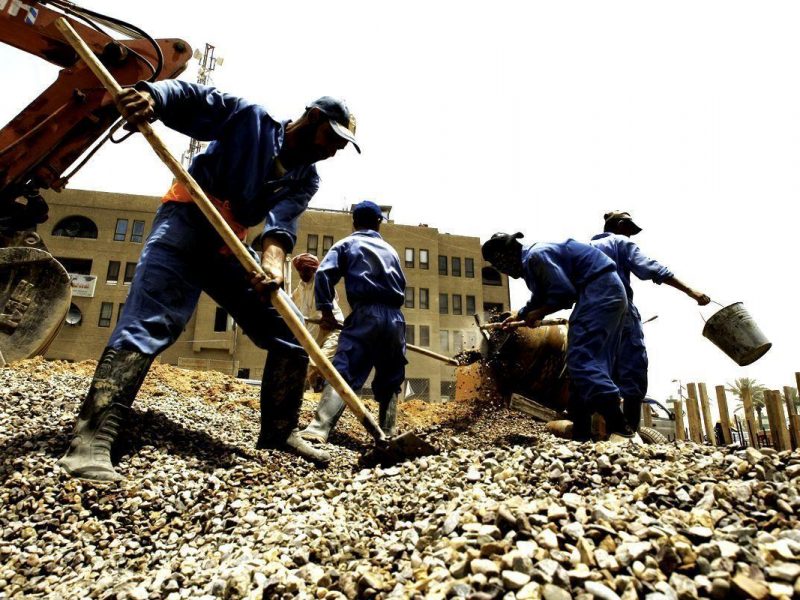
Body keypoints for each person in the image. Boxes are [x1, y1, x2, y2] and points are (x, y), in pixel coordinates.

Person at [58, 81, 360, 481]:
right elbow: (194, 98)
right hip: (185, 222)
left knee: (289, 335)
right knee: (150, 322)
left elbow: (280, 225)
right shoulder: (252, 119)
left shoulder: (306, 178)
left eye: (341, 146)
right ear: (315, 117)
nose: (334, 150)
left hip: (228, 244)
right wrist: (153, 96)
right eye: (333, 138)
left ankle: (279, 431)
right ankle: (90, 442)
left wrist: (271, 265)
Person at [481, 232, 636, 442]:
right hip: (608, 293)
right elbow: (542, 294)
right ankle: (582, 434)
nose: (501, 269)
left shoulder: (536, 256)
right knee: (583, 366)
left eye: (499, 264)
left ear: (506, 255)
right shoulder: (533, 260)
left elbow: (564, 293)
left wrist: (539, 313)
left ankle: (621, 428)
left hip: (599, 292)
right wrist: (522, 314)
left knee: (581, 360)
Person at [590, 211, 710, 430]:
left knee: (597, 369)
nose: (631, 236)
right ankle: (629, 432)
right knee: (633, 367)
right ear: (619, 226)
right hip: (619, 311)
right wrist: (690, 290)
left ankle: (594, 430)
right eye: (629, 230)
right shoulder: (620, 242)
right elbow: (650, 268)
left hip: (588, 316)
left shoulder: (585, 248)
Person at [299, 201, 407, 444]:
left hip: (366, 314)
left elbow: (324, 274)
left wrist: (326, 310)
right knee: (391, 376)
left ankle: (318, 428)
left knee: (344, 370)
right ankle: (388, 433)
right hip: (396, 319)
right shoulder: (391, 251)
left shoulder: (347, 244)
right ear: (379, 223)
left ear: (354, 222)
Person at [290, 253, 343, 391]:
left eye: (306, 270)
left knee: (317, 363)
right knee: (311, 366)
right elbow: (291, 301)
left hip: (332, 327)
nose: (302, 273)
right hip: (315, 328)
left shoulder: (321, 281)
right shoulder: (301, 286)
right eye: (300, 270)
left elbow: (332, 302)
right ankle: (318, 388)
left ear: (313, 269)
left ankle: (326, 388)